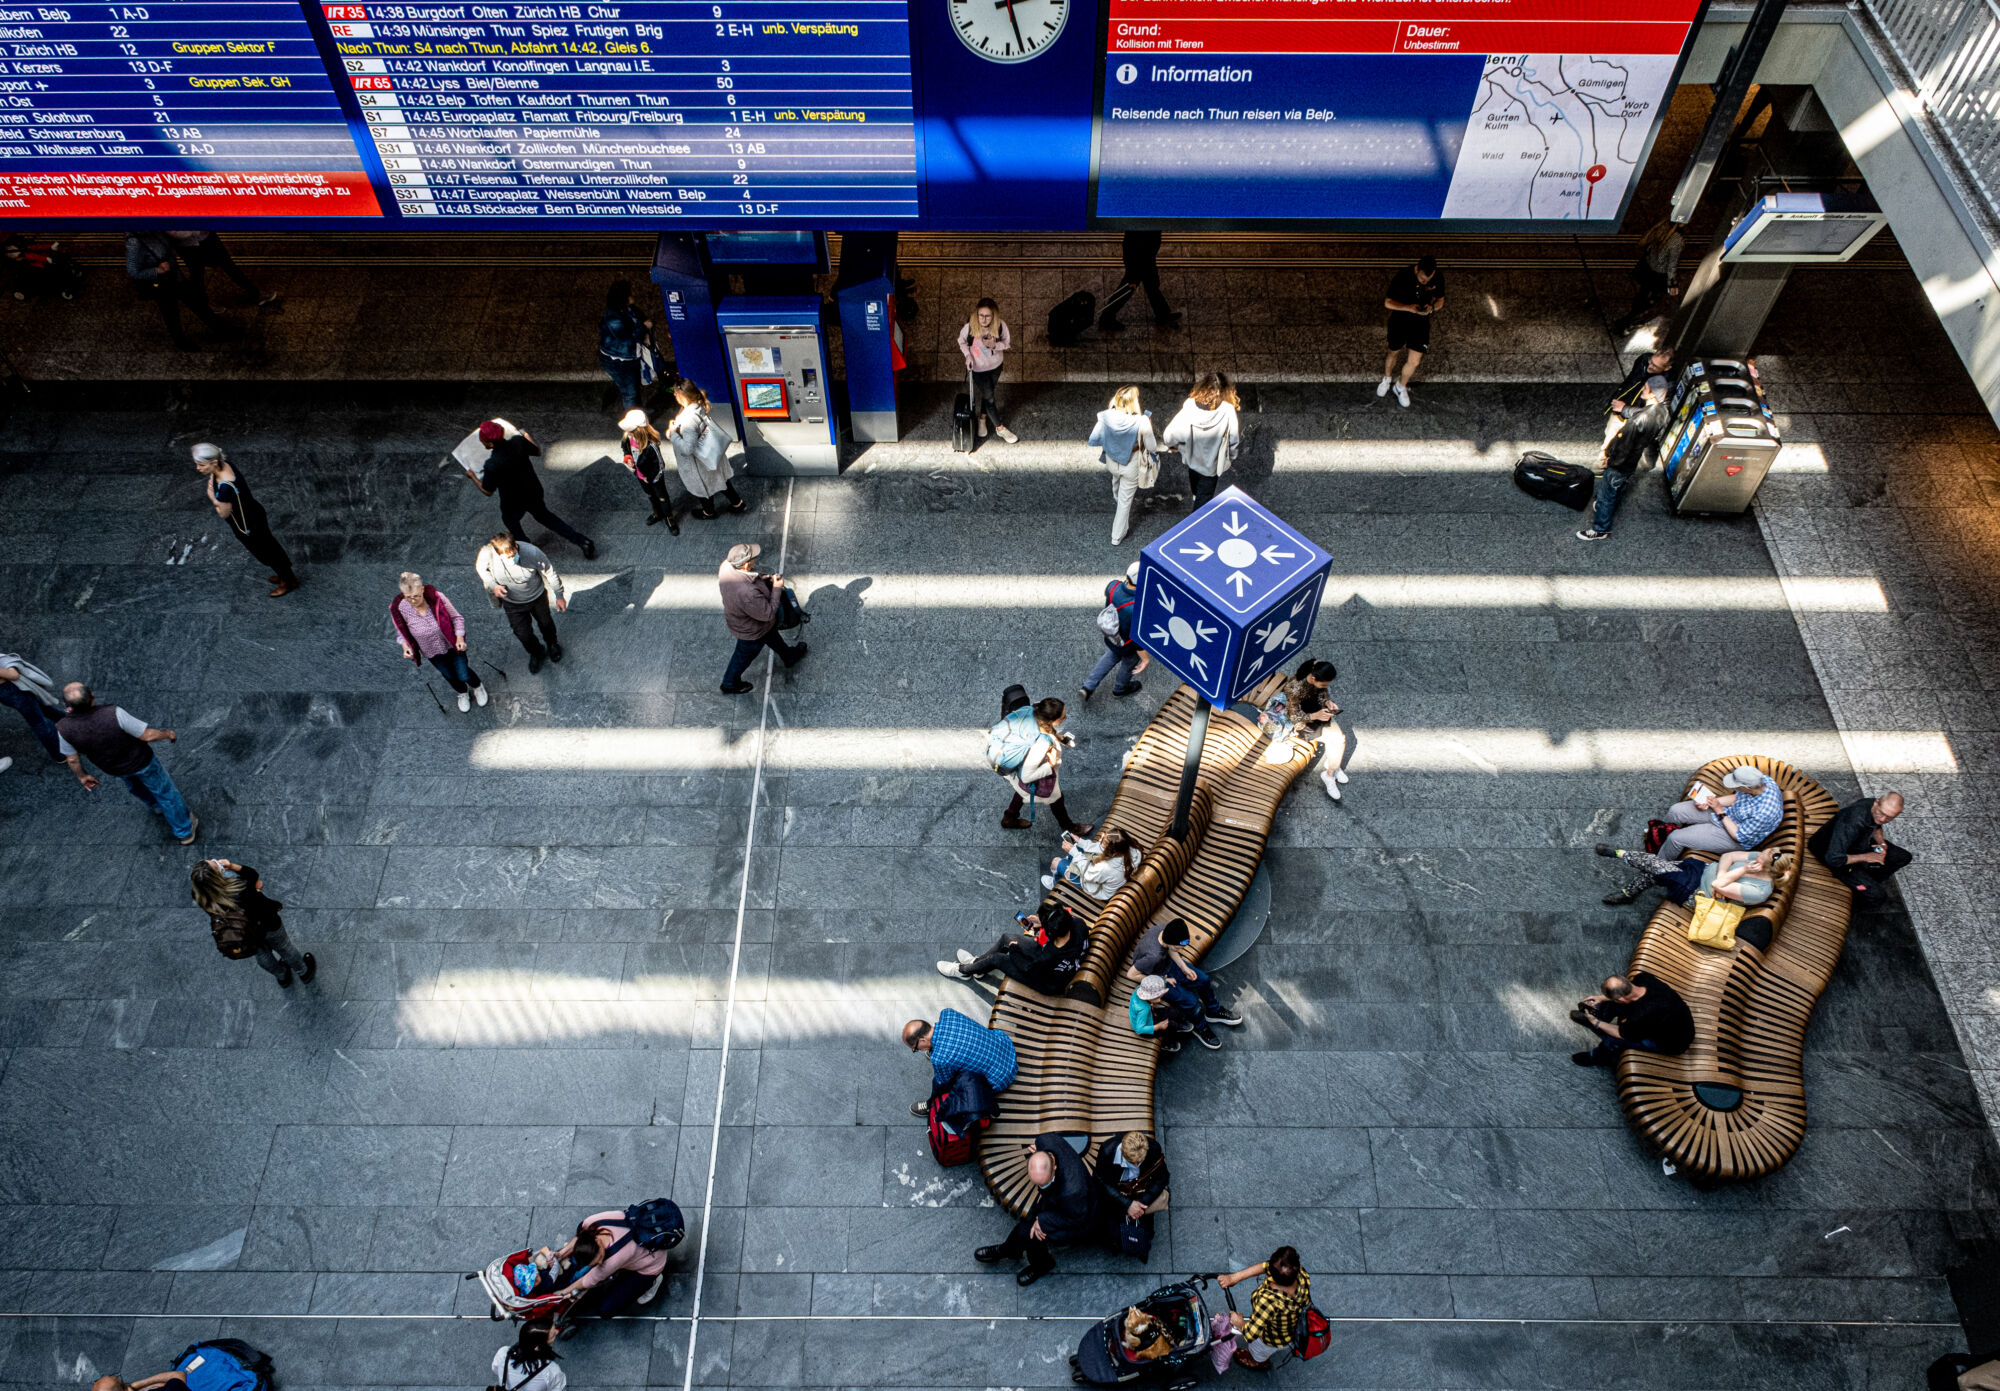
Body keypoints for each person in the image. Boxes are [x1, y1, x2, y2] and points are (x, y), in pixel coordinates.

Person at [56, 683, 197, 844]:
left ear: (67, 706)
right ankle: (184, 831)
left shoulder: (63, 729)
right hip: (142, 761)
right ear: (92, 697)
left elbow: (72, 758)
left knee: (135, 786)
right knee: (166, 793)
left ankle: (156, 806)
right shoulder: (113, 714)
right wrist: (168, 734)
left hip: (114, 768)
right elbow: (146, 735)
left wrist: (82, 776)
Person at [973, 1131, 1108, 1286]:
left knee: (1031, 1234)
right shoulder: (1044, 1141)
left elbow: (1076, 1217)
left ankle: (1039, 1263)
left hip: (1080, 1218)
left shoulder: (1073, 1191)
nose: (1039, 1187)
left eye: (1043, 1183)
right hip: (1057, 1199)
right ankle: (1011, 1251)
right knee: (1029, 1226)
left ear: (1054, 1166)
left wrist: (1043, 1221)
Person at [475, 421, 596, 558]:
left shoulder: (491, 464)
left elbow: (488, 491)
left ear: (489, 443)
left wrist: (472, 476)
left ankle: (527, 549)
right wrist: (525, 434)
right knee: (546, 517)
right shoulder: (518, 442)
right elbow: (537, 451)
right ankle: (582, 541)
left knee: (510, 521)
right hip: (533, 491)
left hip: (513, 501)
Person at [192, 442, 299, 597]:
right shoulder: (225, 465)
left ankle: (288, 581)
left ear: (213, 463)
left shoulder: (225, 487)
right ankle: (286, 576)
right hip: (254, 513)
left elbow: (223, 513)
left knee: (267, 552)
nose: (198, 468)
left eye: (201, 465)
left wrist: (212, 497)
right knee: (270, 547)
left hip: (246, 524)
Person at [190, 858, 316, 988]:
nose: (215, 861)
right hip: (267, 923)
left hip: (243, 933)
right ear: (218, 875)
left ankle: (282, 976)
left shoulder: (200, 895)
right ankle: (304, 971)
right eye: (215, 863)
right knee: (284, 947)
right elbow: (252, 874)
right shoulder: (239, 887)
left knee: (262, 954)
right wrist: (233, 867)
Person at [1576, 375, 1668, 542]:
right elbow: (1644, 414)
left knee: (1606, 494)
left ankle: (1600, 529)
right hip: (1632, 461)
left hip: (1620, 463)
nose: (1642, 389)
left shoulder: (1636, 421)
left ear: (1653, 393)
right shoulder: (1662, 411)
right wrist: (1625, 409)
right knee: (1618, 488)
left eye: (1645, 387)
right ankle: (1609, 507)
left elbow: (1623, 445)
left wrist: (1610, 460)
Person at [937, 899, 1088, 992]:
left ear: (1050, 932)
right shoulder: (1077, 924)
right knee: (1006, 938)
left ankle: (963, 971)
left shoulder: (1048, 955)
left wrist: (1015, 950)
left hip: (1047, 982)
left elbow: (1027, 968)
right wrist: (1042, 924)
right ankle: (977, 966)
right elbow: (1055, 937)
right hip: (1055, 962)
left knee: (997, 959)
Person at [718, 542, 807, 695]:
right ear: (745, 565)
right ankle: (729, 683)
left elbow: (751, 577)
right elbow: (768, 614)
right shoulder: (748, 593)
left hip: (755, 624)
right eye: (752, 558)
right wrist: (777, 588)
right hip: (752, 630)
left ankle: (788, 656)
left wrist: (764, 578)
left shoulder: (726, 565)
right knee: (743, 655)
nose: (755, 559)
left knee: (772, 636)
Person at [390, 571, 486, 712]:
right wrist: (405, 646)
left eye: (416, 596)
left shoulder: (438, 598)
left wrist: (459, 637)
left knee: (463, 673)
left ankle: (478, 686)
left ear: (422, 589)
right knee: (448, 675)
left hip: (452, 645)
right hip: (430, 651)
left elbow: (457, 618)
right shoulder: (400, 608)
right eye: (408, 597)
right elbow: (401, 631)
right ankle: (462, 692)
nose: (413, 601)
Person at [477, 533, 567, 675]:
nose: (512, 559)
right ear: (497, 553)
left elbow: (550, 572)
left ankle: (552, 644)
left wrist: (559, 595)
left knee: (546, 623)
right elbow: (481, 569)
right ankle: (537, 652)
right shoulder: (488, 553)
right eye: (507, 557)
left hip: (537, 597)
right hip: (512, 603)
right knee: (522, 634)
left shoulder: (532, 552)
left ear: (516, 546)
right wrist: (493, 585)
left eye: (514, 554)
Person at [902, 1006, 1018, 1117]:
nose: (917, 1050)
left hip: (1000, 1078)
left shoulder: (939, 1058)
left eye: (916, 1049)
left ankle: (929, 1105)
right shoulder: (947, 1013)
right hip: (1006, 1047)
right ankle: (936, 1049)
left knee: (940, 1082)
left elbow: (944, 1081)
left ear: (922, 1040)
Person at [1000, 696, 1091, 834]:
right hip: (1033, 771)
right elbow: (1026, 776)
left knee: (1022, 790)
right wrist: (1051, 765)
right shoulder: (1041, 744)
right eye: (1062, 716)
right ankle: (1069, 827)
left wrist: (1057, 736)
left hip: (1015, 767)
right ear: (1051, 720)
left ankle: (1009, 817)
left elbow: (1045, 729)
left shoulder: (1036, 710)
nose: (1065, 718)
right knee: (1056, 799)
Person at [1131, 916, 1242, 1030]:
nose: (1181, 951)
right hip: (1157, 978)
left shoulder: (1165, 931)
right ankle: (1201, 1027)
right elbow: (1131, 974)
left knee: (1203, 979)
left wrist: (1184, 968)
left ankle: (1214, 1011)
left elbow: (1170, 949)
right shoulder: (1153, 956)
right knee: (1192, 1002)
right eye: (1178, 948)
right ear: (1169, 941)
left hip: (1168, 965)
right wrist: (1161, 980)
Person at [1597, 844, 1793, 908]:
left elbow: (1717, 885)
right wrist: (1724, 872)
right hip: (1701, 870)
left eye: (1761, 856)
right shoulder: (1759, 860)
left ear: (1766, 868)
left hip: (1696, 892)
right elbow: (1729, 856)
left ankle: (1620, 854)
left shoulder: (1758, 892)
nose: (1757, 854)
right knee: (1657, 870)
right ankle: (1628, 892)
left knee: (1657, 869)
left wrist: (1742, 870)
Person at [125, 230, 228, 349]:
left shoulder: (155, 230)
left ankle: (221, 329)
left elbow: (168, 245)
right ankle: (181, 342)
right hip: (162, 284)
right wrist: (157, 270)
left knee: (195, 301)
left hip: (174, 276)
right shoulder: (134, 241)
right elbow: (134, 271)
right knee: (171, 313)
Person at [1656, 764, 1784, 857]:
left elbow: (1739, 836)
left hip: (1732, 835)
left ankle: (1657, 866)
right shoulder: (1763, 780)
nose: (1736, 788)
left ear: (1748, 787)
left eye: (1737, 786)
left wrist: (1719, 810)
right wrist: (1712, 802)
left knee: (1676, 838)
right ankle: (1658, 835)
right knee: (1676, 810)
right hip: (1728, 813)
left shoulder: (1765, 812)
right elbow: (1736, 797)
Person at [1571, 971, 1694, 1067]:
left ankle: (1596, 1057)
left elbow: (1621, 1033)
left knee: (1612, 1038)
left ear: (1622, 998)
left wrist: (1596, 1023)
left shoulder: (1641, 1015)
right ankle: (1600, 1017)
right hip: (1672, 1020)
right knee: (1613, 1004)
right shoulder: (1643, 978)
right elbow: (1623, 998)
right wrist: (1600, 998)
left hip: (1672, 1042)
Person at [1217, 1247, 1311, 1370]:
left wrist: (1239, 1322)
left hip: (1272, 1338)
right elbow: (1265, 1266)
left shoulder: (1269, 1302)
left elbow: (1250, 1334)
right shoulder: (1299, 1274)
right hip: (1293, 1326)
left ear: (1273, 1276)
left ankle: (1258, 1361)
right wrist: (1235, 1277)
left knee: (1258, 1350)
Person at [1091, 385, 1162, 546]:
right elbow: (1151, 446)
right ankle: (1116, 536)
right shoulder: (1141, 420)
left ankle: (1115, 495)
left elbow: (1095, 437)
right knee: (1125, 501)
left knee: (1116, 477)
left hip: (1111, 461)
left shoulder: (1106, 416)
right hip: (1131, 464)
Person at [665, 379, 747, 518]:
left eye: (675, 393)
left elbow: (687, 449)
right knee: (721, 479)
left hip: (700, 462)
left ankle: (709, 512)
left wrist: (672, 434)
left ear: (682, 395)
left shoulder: (689, 420)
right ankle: (738, 503)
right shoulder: (698, 405)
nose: (674, 395)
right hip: (712, 452)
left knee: (703, 486)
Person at [1809, 791, 1912, 899]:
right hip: (1830, 854)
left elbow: (1876, 825)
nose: (1882, 819)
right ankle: (1859, 895)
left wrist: (1881, 843)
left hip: (1857, 844)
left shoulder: (1873, 806)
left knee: (1904, 857)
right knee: (1878, 896)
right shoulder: (1852, 823)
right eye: (1881, 813)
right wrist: (1867, 857)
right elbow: (1833, 859)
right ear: (1876, 803)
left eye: (1889, 817)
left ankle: (1870, 879)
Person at [1161, 372, 1240, 508]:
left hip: (1192, 459)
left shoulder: (1190, 405)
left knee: (1196, 488)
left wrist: (1175, 446)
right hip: (1212, 465)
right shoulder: (1228, 410)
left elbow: (1169, 435)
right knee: (1204, 502)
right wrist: (1231, 457)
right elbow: (1233, 439)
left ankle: (1196, 497)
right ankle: (1197, 523)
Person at [1377, 256, 1445, 408]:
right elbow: (1388, 303)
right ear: (1417, 269)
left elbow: (1441, 300)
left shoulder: (1438, 277)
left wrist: (1432, 308)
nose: (1424, 282)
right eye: (1422, 278)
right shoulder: (1402, 276)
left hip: (1421, 323)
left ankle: (1400, 387)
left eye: (1428, 279)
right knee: (1393, 352)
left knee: (1414, 360)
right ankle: (1387, 378)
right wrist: (1409, 308)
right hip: (1400, 320)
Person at [1080, 560, 1149, 701]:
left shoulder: (1113, 586)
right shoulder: (1136, 607)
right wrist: (1145, 659)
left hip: (1113, 637)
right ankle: (1120, 688)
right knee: (1128, 664)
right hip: (1128, 644)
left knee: (1110, 657)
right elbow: (1137, 641)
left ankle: (1088, 686)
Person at [957, 297, 1017, 444]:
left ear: (993, 315)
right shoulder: (970, 326)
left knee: (988, 393)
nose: (983, 319)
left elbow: (1007, 344)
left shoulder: (1000, 325)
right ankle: (1000, 427)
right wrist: (967, 356)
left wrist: (994, 345)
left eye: (987, 316)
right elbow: (961, 341)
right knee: (989, 398)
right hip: (978, 369)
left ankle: (982, 419)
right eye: (981, 315)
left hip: (996, 366)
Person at [1614, 219, 1686, 336]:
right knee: (1652, 301)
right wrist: (1672, 283)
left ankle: (1627, 319)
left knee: (1643, 295)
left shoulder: (1661, 227)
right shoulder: (1677, 240)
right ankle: (1628, 322)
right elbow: (1671, 265)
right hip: (1659, 275)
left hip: (1647, 269)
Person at [168, 231, 277, 308]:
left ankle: (256, 293)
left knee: (229, 266)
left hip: (206, 239)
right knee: (197, 274)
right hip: (189, 247)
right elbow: (173, 231)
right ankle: (204, 304)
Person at [1093, 1130, 1170, 1240]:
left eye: (1140, 1161)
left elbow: (1162, 1177)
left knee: (1145, 1232)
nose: (1136, 1165)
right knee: (1113, 1232)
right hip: (1116, 1193)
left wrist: (1141, 1203)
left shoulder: (1153, 1149)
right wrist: (1127, 1204)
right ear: (1121, 1150)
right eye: (1131, 1162)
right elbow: (1102, 1181)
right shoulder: (1107, 1151)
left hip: (1141, 1192)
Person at [1098, 231, 1180, 331]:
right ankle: (1106, 318)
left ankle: (1162, 314)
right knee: (1130, 286)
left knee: (1151, 284)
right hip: (1139, 255)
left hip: (1144, 254)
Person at [614, 409, 680, 532]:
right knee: (650, 495)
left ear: (639, 431)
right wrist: (627, 457)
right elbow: (625, 449)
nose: (627, 434)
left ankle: (668, 517)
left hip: (655, 478)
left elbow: (660, 465)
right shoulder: (628, 437)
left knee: (662, 497)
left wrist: (650, 478)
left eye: (631, 431)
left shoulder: (651, 445)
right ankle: (657, 513)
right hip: (640, 475)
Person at [1602, 345, 1675, 452]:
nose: (1650, 366)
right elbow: (1631, 381)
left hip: (1632, 419)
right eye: (1651, 361)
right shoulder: (1644, 359)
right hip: (1621, 408)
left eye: (1655, 366)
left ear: (1667, 368)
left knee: (1611, 449)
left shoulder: (1664, 385)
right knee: (1609, 438)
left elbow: (1655, 415)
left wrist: (1624, 409)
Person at [0, 650, 64, 763]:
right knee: (39, 723)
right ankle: (60, 754)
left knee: (41, 707)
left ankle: (67, 721)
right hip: (11, 691)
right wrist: (10, 665)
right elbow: (13, 675)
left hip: (6, 693)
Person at [598, 279, 653, 411]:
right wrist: (644, 327)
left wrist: (643, 321)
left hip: (630, 356)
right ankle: (636, 426)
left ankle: (640, 412)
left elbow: (637, 314)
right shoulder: (613, 318)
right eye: (630, 294)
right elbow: (627, 338)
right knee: (630, 393)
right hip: (619, 361)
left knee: (634, 386)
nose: (633, 295)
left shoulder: (625, 308)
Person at [1130, 972, 1218, 1051]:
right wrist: (1158, 1026)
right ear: (1148, 997)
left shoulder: (1141, 989)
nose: (1160, 1000)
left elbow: (1156, 981)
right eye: (1158, 997)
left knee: (1173, 1011)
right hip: (1148, 1026)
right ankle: (1166, 1044)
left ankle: (1180, 1024)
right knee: (1170, 1025)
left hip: (1151, 1014)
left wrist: (1165, 980)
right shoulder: (1143, 1009)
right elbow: (1139, 1029)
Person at [1045, 826, 1137, 899]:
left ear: (1111, 851)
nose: (1100, 838)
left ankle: (1055, 883)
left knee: (1055, 862)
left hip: (1095, 887)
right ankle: (1068, 863)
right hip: (1101, 876)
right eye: (1103, 835)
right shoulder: (1129, 847)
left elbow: (1088, 874)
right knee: (1077, 847)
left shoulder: (1106, 868)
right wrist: (1080, 842)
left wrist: (1074, 853)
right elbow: (1099, 848)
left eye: (1103, 841)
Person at [491, 1320, 565, 1391]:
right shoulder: (551, 1371)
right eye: (552, 1335)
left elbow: (495, 1369)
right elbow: (558, 1388)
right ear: (537, 1348)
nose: (557, 1331)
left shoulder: (503, 1353)